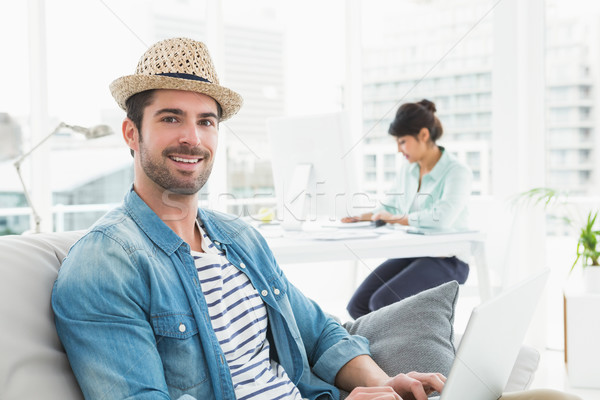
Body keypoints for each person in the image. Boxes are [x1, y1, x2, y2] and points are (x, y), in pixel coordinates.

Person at [51, 37, 580, 400]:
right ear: (130, 134)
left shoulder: (237, 238)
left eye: (206, 121)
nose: (193, 137)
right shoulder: (106, 265)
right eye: (171, 118)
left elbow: (320, 331)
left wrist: (379, 384)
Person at [343, 100, 471, 319]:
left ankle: (396, 351)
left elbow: (442, 217)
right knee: (358, 305)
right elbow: (391, 207)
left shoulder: (456, 171)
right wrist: (361, 217)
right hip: (415, 252)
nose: (398, 149)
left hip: (448, 259)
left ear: (423, 135)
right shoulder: (409, 170)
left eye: (402, 142)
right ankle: (380, 353)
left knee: (383, 301)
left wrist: (396, 219)